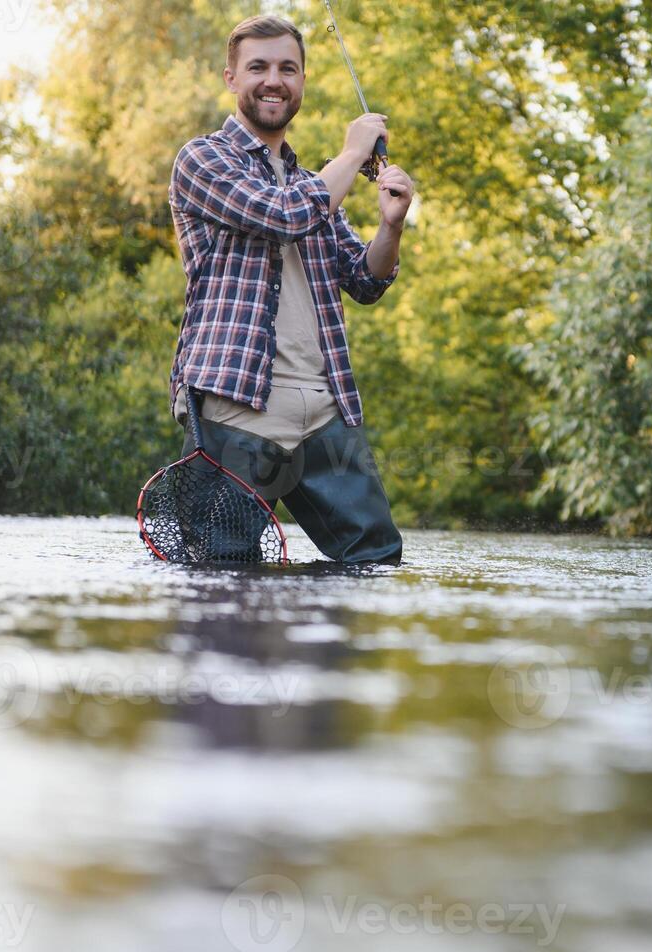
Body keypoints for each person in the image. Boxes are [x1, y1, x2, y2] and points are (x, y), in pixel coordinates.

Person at [166, 13, 413, 565]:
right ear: (231, 77)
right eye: (258, 67)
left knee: (375, 560)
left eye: (288, 68)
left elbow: (365, 279)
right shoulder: (202, 159)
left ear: (302, 80)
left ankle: (307, 651)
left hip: (324, 407)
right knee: (219, 576)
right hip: (237, 406)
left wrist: (390, 226)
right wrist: (351, 155)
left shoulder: (313, 185)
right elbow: (279, 217)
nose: (273, 80)